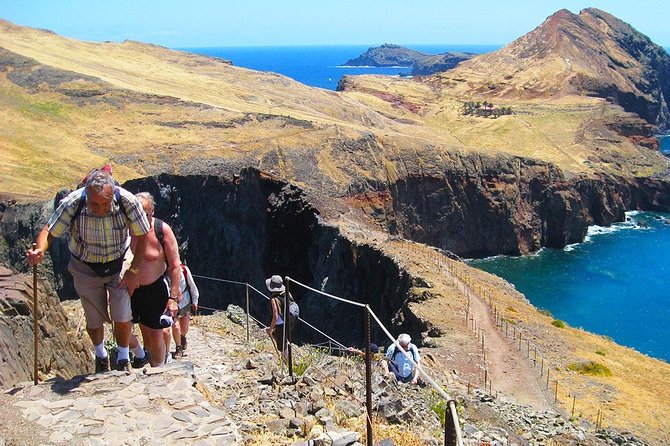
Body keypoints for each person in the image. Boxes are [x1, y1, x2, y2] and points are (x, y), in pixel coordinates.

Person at [26, 169, 150, 372]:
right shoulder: (73, 203)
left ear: (112, 195)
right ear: (86, 193)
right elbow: (49, 230)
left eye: (105, 203)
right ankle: (101, 355)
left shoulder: (127, 201)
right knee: (94, 318)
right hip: (85, 266)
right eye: (94, 204)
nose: (100, 209)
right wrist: (40, 250)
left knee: (122, 312)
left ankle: (122, 358)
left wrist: (133, 271)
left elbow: (143, 234)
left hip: (118, 263)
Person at [128, 192, 182, 367]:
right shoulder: (125, 230)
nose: (141, 218)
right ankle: (142, 355)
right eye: (136, 213)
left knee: (155, 332)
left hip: (154, 289)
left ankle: (157, 369)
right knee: (136, 329)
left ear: (152, 211)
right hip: (129, 289)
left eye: (145, 213)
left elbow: (175, 265)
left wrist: (173, 298)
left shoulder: (161, 230)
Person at [265, 275, 299, 359]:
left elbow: (275, 316)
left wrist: (270, 329)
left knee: (281, 345)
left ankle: (287, 362)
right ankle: (288, 356)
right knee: (284, 336)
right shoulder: (287, 293)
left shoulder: (274, 299)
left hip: (281, 323)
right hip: (290, 319)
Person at [170, 262, 199, 358]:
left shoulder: (185, 270)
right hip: (172, 302)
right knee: (175, 325)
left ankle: (183, 337)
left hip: (185, 301)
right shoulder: (165, 271)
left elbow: (192, 285)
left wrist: (195, 301)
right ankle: (179, 348)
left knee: (184, 328)